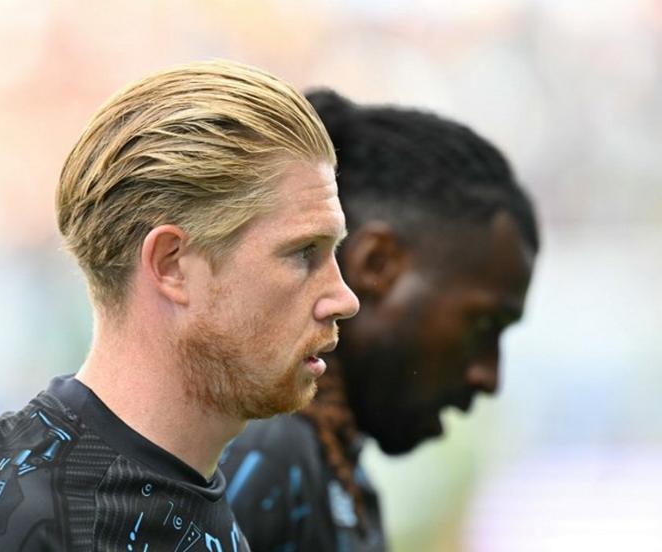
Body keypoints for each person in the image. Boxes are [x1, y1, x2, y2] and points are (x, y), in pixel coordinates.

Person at [0, 61, 359, 552]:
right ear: (172, 264)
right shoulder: (9, 522)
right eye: (303, 253)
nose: (343, 298)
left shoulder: (198, 489)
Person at [220, 90, 540, 551]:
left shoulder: (331, 468)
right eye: (483, 325)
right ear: (377, 265)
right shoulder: (266, 458)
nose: (489, 376)